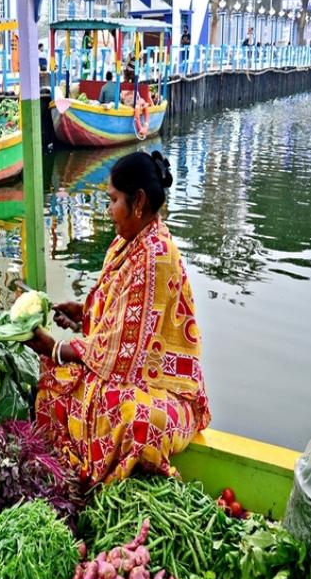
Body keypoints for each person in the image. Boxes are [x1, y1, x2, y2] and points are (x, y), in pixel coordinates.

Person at [27, 151, 210, 485]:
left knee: (126, 414)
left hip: (165, 391)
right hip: (126, 370)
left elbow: (123, 353)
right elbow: (123, 321)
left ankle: (86, 476)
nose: (108, 211)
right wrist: (85, 315)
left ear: (137, 201)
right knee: (55, 385)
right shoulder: (128, 242)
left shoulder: (156, 256)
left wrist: (53, 348)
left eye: (113, 200)